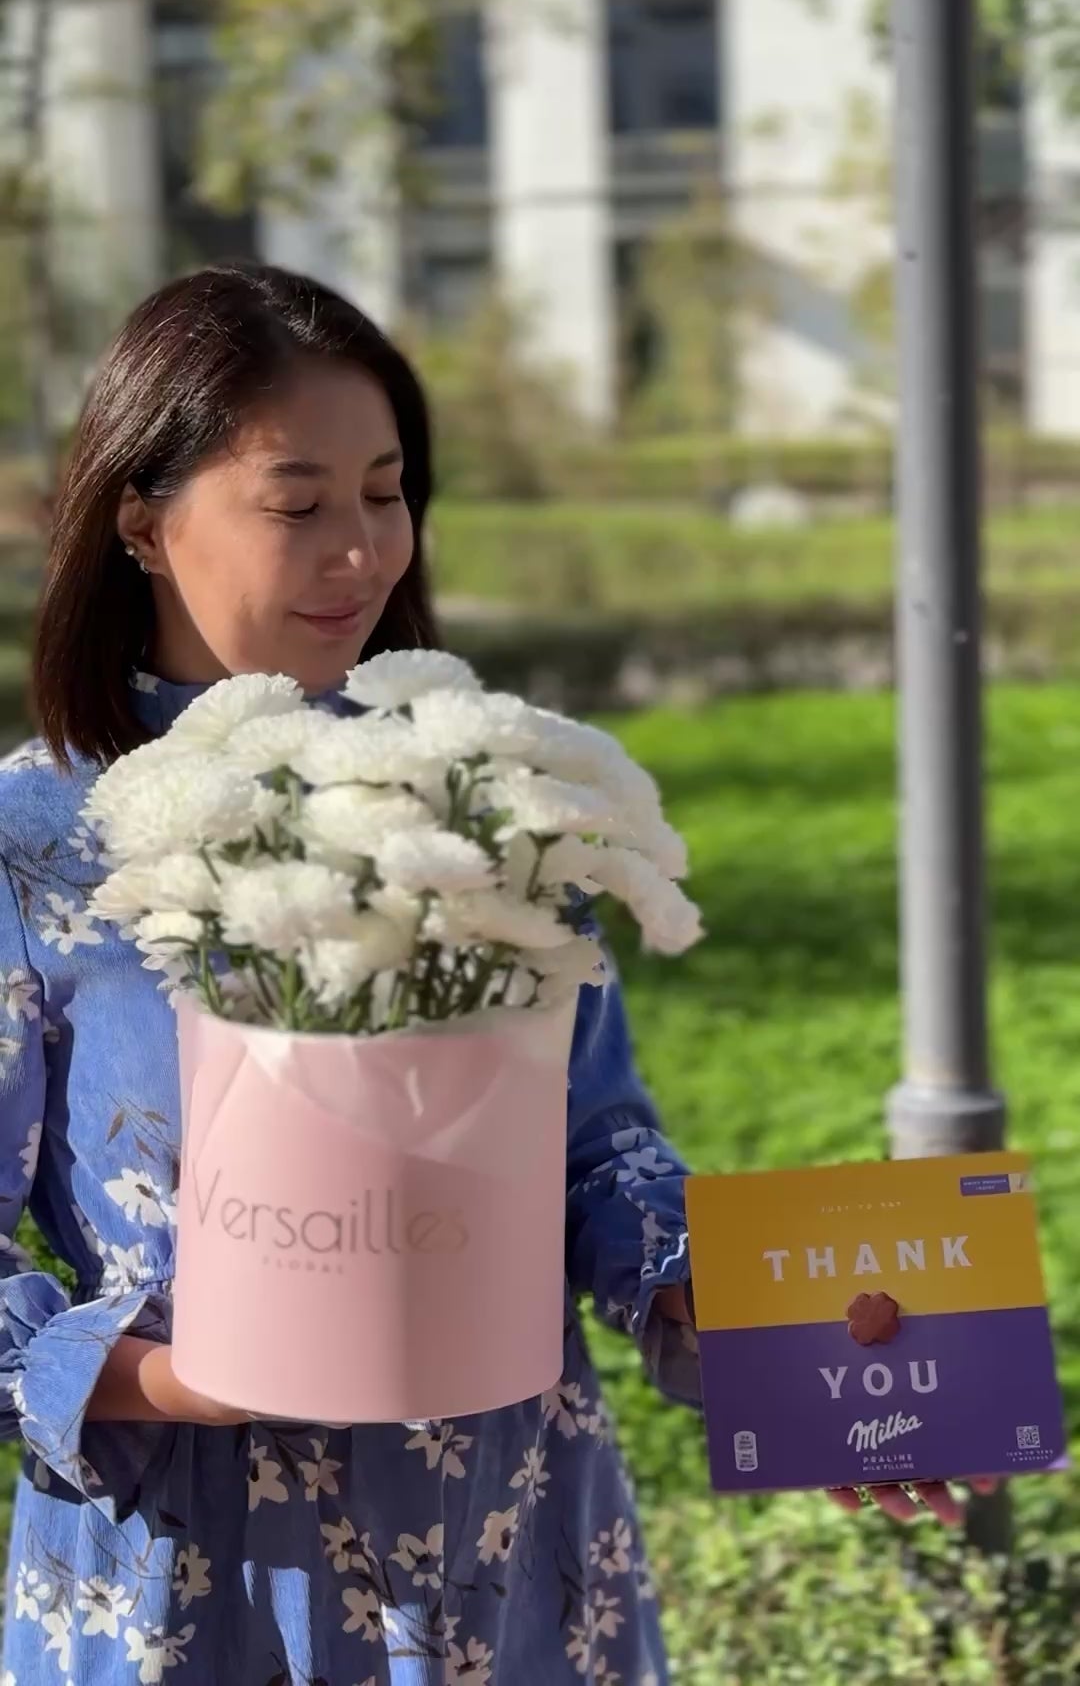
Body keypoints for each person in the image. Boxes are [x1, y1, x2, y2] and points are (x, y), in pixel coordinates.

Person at [0, 264, 973, 1685]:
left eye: (387, 494)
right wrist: (165, 1382)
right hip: (195, 1572)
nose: (361, 550)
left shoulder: (482, 803)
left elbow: (599, 1150)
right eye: (300, 501)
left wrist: (807, 1367)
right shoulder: (38, 844)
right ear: (142, 521)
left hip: (510, 1550)